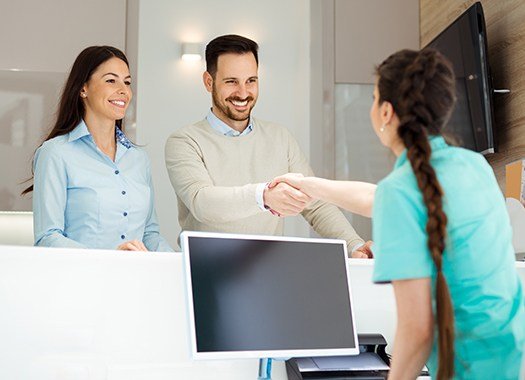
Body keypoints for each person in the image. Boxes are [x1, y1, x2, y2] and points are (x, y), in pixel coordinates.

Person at [271, 49, 525, 379]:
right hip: (513, 356)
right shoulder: (474, 166)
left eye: (375, 97)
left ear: (386, 112)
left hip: (464, 366)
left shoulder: (402, 191)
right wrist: (307, 184)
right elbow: (378, 197)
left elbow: (417, 330)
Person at [164, 34, 371, 257]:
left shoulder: (280, 138)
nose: (243, 93)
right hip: (205, 269)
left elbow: (315, 205)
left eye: (251, 81)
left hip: (266, 269)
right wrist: (263, 196)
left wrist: (354, 245)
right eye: (231, 81)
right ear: (208, 82)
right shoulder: (185, 141)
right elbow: (202, 202)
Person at [23, 46, 172, 252]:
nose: (123, 90)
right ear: (83, 88)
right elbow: (48, 237)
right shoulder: (55, 153)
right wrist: (108, 259)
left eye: (127, 82)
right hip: (83, 280)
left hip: (135, 279)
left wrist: (178, 263)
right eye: (111, 80)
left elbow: (149, 234)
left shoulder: (138, 158)